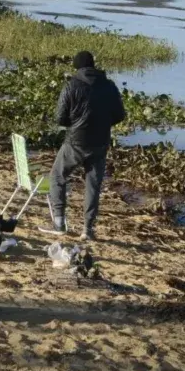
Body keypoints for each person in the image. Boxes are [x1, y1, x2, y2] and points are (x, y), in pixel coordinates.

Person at [41, 50, 125, 240]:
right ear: (93, 65)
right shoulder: (109, 86)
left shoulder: (71, 85)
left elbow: (60, 118)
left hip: (76, 142)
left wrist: (75, 124)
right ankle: (88, 229)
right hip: (100, 143)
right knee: (93, 185)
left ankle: (59, 223)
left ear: (77, 67)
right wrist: (102, 124)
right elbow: (120, 115)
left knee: (57, 176)